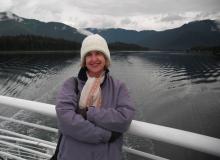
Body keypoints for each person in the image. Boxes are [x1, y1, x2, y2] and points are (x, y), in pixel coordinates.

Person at [55, 34, 135, 160]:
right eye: (88, 54)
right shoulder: (71, 84)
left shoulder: (119, 87)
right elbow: (66, 120)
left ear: (105, 58)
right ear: (84, 61)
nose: (93, 59)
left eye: (98, 53)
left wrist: (88, 113)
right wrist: (106, 135)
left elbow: (124, 119)